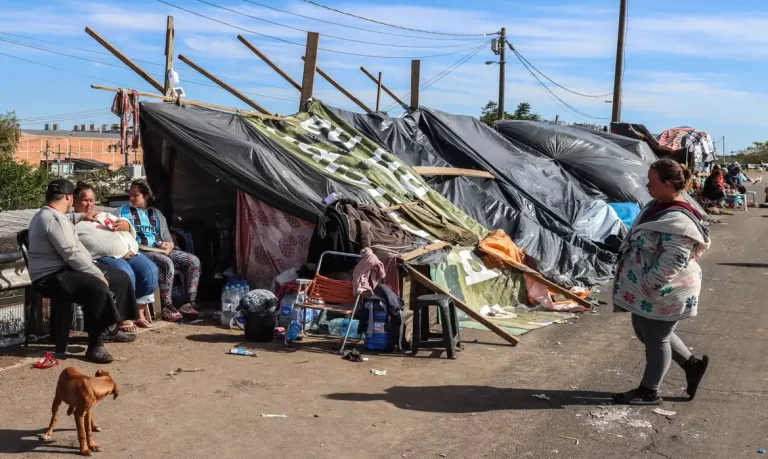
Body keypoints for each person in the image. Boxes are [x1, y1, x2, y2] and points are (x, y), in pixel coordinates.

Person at [612, 159, 710, 405]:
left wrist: (648, 284)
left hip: (666, 288)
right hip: (649, 288)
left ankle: (649, 391)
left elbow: (674, 258)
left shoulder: (680, 218)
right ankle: (692, 365)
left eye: (652, 181)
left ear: (667, 183)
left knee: (657, 337)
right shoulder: (657, 205)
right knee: (646, 332)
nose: (647, 185)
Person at [27, 179, 138, 363]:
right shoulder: (54, 219)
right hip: (51, 276)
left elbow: (65, 220)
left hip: (61, 270)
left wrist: (80, 217)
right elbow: (71, 253)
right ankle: (95, 345)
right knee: (96, 287)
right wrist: (96, 273)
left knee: (120, 277)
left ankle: (112, 329)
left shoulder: (49, 215)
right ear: (69, 198)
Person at [73, 182, 158, 330]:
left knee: (150, 272)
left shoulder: (102, 214)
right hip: (102, 256)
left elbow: (122, 221)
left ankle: (137, 310)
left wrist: (126, 225)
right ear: (75, 200)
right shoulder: (72, 220)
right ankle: (122, 316)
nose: (89, 204)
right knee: (126, 275)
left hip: (129, 251)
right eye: (85, 200)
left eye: (91, 200)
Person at [119, 179, 201, 321]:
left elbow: (168, 239)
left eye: (135, 195)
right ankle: (167, 307)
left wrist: (168, 245)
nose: (131, 198)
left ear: (146, 196)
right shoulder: (123, 211)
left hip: (159, 249)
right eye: (130, 195)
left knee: (193, 261)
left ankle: (189, 303)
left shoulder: (157, 215)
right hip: (140, 252)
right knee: (166, 262)